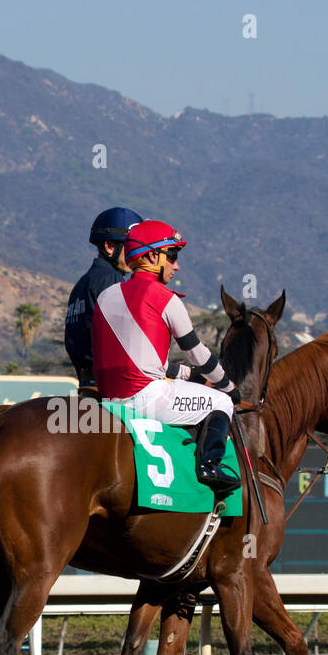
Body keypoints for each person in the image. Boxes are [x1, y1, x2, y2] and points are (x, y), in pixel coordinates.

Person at [91, 220, 242, 494]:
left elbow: (151, 363)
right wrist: (228, 387)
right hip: (145, 398)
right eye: (172, 255)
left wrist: (193, 377)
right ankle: (209, 467)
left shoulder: (105, 296)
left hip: (108, 399)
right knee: (220, 402)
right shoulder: (166, 298)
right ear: (150, 256)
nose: (176, 265)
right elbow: (198, 355)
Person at [64, 207, 144, 392]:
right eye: (131, 247)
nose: (136, 255)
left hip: (86, 384)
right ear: (109, 247)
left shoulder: (81, 283)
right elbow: (124, 339)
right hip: (110, 387)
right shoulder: (111, 280)